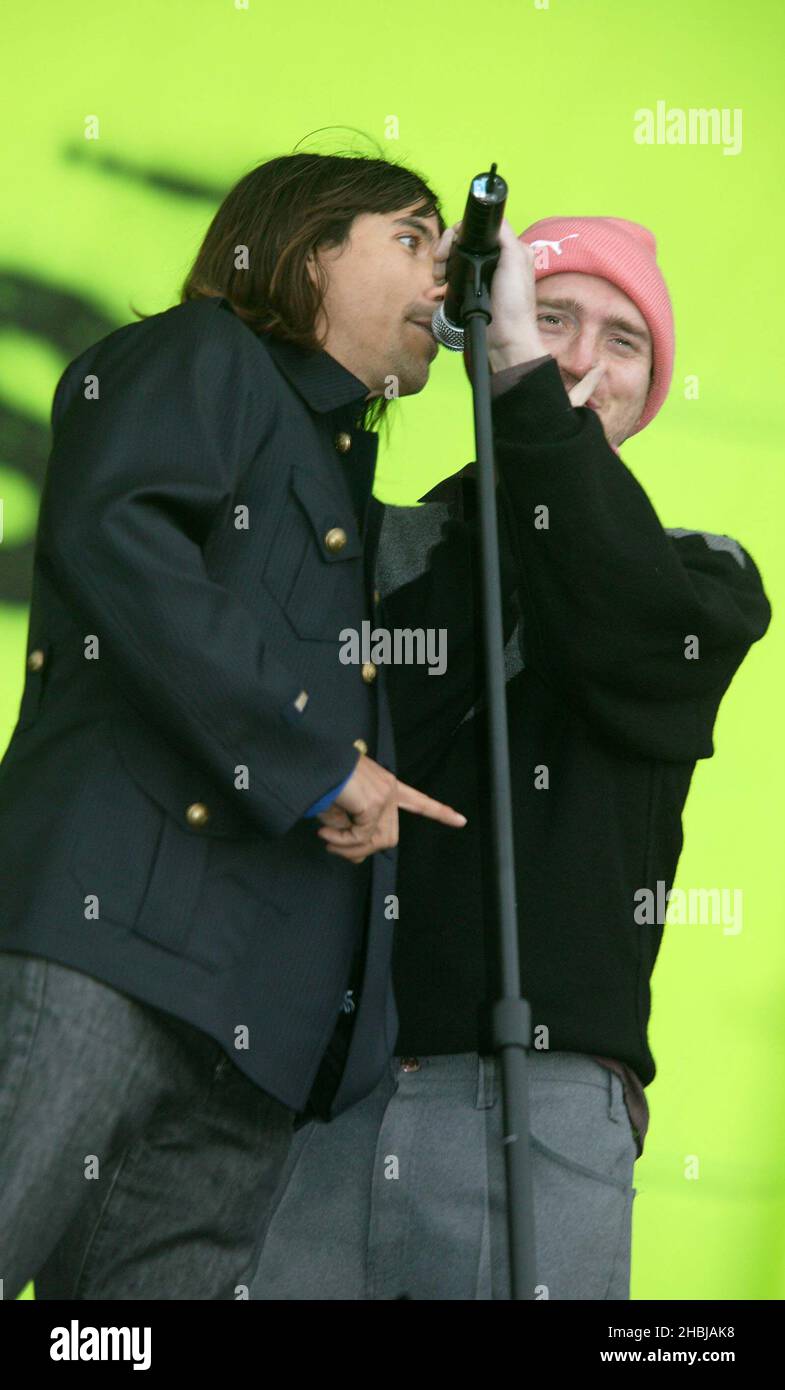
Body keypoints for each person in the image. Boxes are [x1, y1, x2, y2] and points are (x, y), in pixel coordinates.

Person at [0, 151, 535, 1301]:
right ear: (305, 253)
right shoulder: (202, 356)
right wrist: (314, 766)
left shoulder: (353, 481)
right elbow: (117, 536)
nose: (444, 274)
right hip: (105, 953)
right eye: (410, 238)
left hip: (251, 1036)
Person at [249, 216, 772, 1300]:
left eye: (620, 340)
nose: (577, 357)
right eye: (551, 319)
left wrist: (524, 388)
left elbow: (617, 628)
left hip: (545, 1096)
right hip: (319, 1103)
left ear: (647, 389)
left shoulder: (700, 577)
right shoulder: (386, 546)